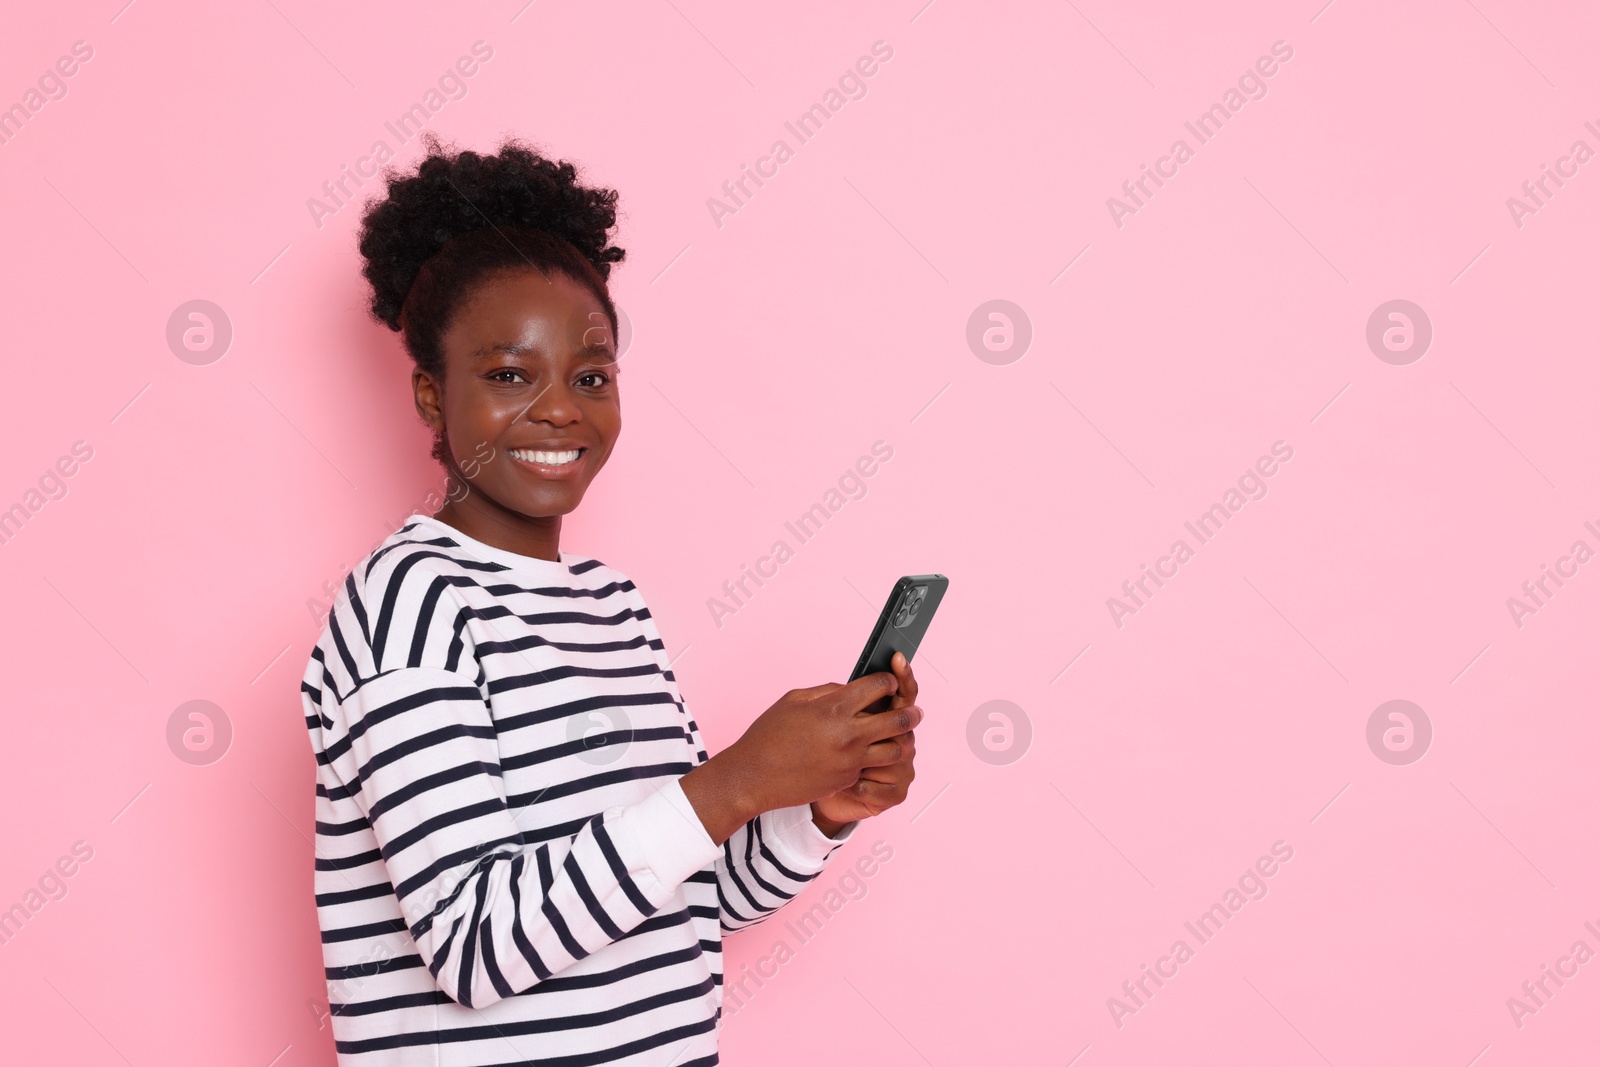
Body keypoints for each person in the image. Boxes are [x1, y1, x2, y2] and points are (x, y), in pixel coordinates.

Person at [299, 132, 923, 1066]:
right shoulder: (407, 607)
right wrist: (735, 781)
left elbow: (691, 897)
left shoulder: (614, 605)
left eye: (591, 377)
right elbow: (476, 948)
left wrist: (817, 804)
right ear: (432, 398)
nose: (560, 409)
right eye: (510, 375)